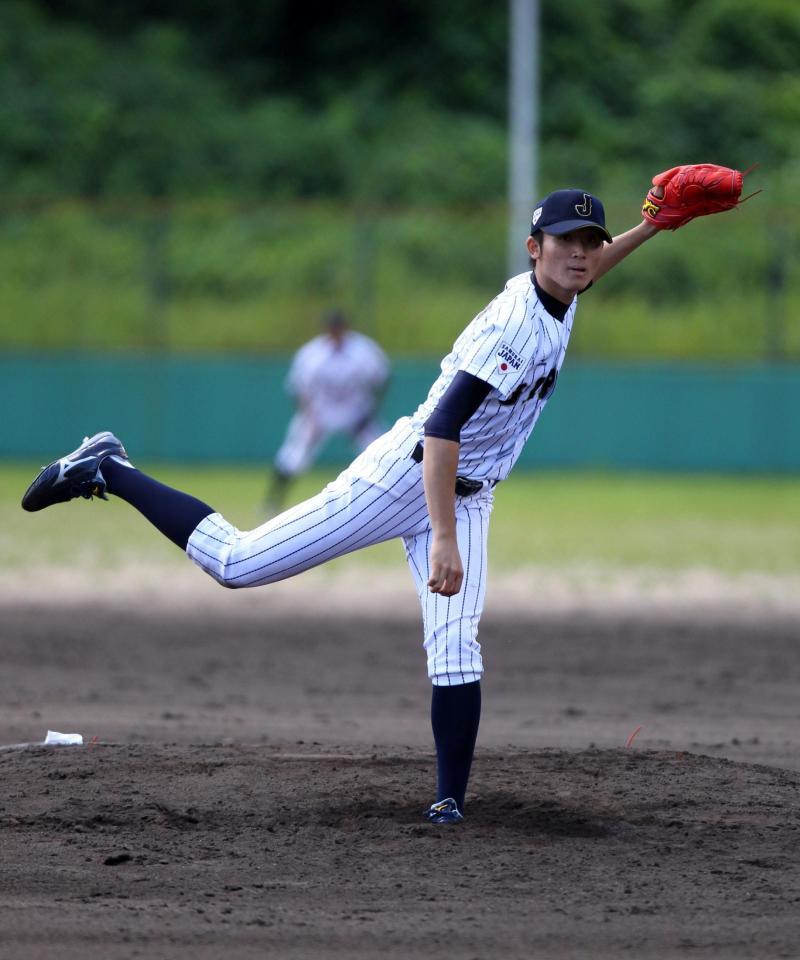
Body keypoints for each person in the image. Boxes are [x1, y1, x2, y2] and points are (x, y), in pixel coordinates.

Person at [22, 187, 663, 824]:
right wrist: (442, 536)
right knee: (238, 562)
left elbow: (591, 271)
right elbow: (443, 426)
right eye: (565, 243)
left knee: (456, 647)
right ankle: (108, 467)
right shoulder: (517, 323)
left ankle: (449, 804)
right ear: (534, 249)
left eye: (590, 242)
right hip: (408, 476)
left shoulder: (564, 288)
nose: (581, 255)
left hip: (470, 492)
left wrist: (657, 225)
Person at [266, 310, 390, 513]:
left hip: (355, 411)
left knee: (382, 450)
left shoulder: (363, 349)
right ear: (326, 330)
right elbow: (298, 387)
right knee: (294, 455)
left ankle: (393, 497)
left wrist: (370, 412)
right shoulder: (312, 353)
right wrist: (308, 416)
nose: (336, 332)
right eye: (332, 329)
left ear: (345, 328)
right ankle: (273, 501)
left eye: (339, 328)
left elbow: (382, 379)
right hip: (320, 412)